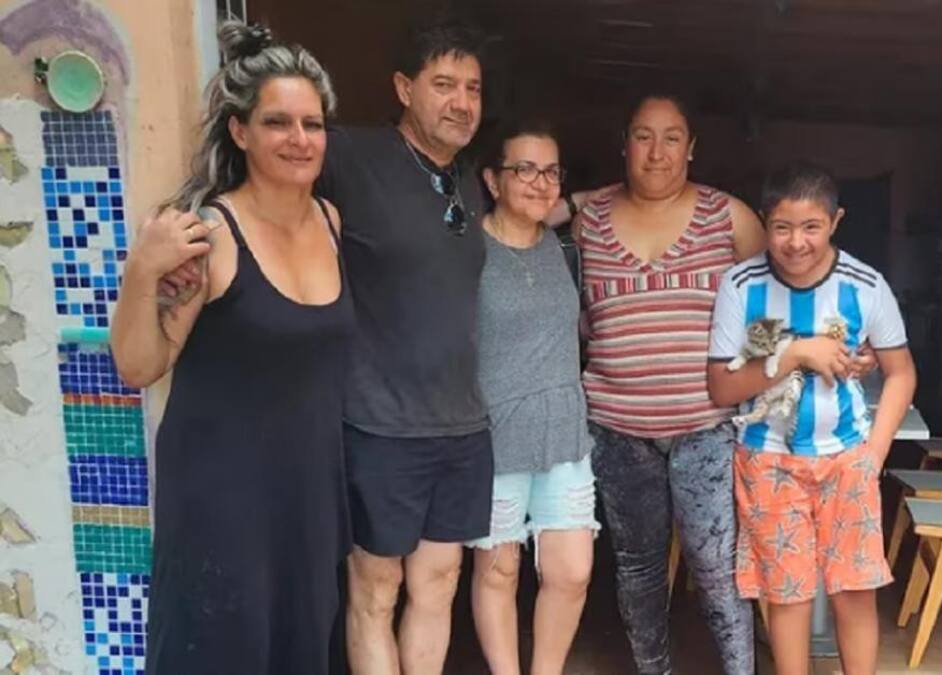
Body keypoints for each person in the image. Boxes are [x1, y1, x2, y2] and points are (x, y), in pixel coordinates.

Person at [111, 23, 351, 674]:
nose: (300, 140)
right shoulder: (209, 235)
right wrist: (141, 271)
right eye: (278, 122)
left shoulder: (331, 223)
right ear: (240, 131)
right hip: (223, 503)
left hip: (306, 499)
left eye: (313, 123)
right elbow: (139, 363)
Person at [313, 19, 492, 675]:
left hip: (463, 423)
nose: (461, 101)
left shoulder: (471, 181)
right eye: (443, 84)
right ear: (402, 88)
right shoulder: (349, 158)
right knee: (375, 590)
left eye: (472, 88)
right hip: (379, 424)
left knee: (438, 582)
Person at [569, 92, 766, 675]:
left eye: (672, 137)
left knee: (716, 567)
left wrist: (750, 391)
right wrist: (573, 197)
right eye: (643, 136)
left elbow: (770, 310)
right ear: (624, 146)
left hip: (706, 428)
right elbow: (574, 315)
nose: (657, 152)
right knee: (638, 568)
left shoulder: (730, 217)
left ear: (692, 148)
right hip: (615, 430)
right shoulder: (588, 223)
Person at [707, 162, 918, 675]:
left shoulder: (866, 287)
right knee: (788, 596)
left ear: (836, 221)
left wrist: (874, 453)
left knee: (854, 592)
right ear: (764, 222)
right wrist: (796, 353)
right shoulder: (742, 285)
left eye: (811, 227)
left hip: (847, 460)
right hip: (767, 461)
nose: (795, 242)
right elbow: (723, 386)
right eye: (781, 227)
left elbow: (901, 373)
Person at [468, 121, 599, 675]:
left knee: (570, 572)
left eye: (550, 171)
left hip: (564, 432)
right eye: (524, 169)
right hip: (494, 434)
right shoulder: (465, 248)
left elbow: (584, 204)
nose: (539, 183)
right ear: (493, 180)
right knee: (499, 570)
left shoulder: (564, 245)